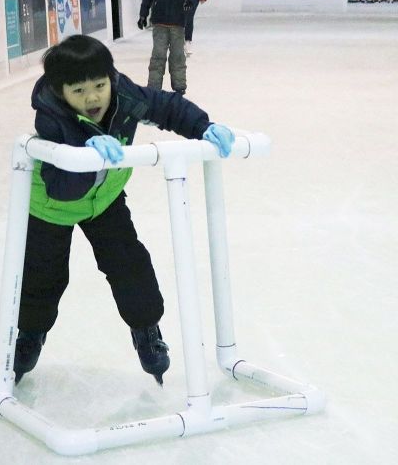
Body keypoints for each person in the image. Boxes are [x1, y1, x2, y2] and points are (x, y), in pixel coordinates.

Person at [15, 34, 236, 386]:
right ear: (60, 91)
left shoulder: (124, 94)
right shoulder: (51, 118)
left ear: (111, 78)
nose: (92, 98)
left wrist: (203, 126)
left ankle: (146, 329)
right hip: (53, 208)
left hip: (105, 201)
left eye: (99, 85)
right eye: (79, 91)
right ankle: (29, 334)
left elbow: (166, 106)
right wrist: (87, 158)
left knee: (130, 264)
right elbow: (62, 187)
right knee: (44, 278)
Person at [137, 0, 197, 94]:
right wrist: (143, 14)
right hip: (160, 24)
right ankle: (153, 89)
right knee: (158, 56)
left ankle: (179, 87)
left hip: (178, 24)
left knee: (177, 57)